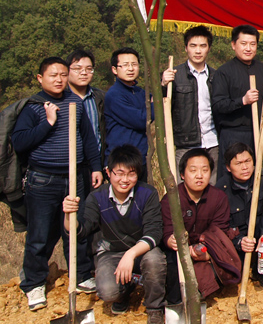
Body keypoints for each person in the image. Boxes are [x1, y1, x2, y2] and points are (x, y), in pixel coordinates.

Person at [12, 57, 103, 310]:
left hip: (74, 177)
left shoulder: (75, 102)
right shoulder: (33, 107)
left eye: (63, 74)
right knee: (40, 234)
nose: (59, 79)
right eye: (53, 75)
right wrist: (48, 122)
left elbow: (88, 138)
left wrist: (95, 167)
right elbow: (19, 142)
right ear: (40, 78)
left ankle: (81, 275)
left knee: (75, 229)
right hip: (43, 179)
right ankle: (34, 284)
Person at [62, 145, 166, 323]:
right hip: (111, 253)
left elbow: (154, 232)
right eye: (119, 173)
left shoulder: (147, 193)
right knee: (108, 292)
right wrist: (68, 215)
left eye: (131, 174)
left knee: (155, 260)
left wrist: (130, 254)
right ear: (108, 173)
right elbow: (81, 231)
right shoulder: (97, 197)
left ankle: (155, 307)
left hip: (142, 250)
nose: (125, 180)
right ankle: (124, 292)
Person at [161, 149, 241, 303]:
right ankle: (175, 301)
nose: (199, 175)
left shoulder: (218, 197)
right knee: (170, 267)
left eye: (205, 170)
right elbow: (167, 230)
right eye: (193, 170)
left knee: (222, 262)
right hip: (178, 252)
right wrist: (170, 240)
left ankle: (203, 290)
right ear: (182, 174)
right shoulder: (171, 199)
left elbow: (219, 232)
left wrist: (207, 250)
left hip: (206, 250)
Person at [161, 25, 219, 183]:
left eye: (203, 46)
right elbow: (160, 105)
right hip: (185, 144)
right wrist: (163, 85)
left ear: (209, 48)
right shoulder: (174, 76)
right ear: (186, 48)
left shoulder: (216, 76)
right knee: (183, 189)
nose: (198, 51)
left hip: (213, 142)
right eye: (193, 46)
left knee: (212, 189)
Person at [217, 142, 263, 289]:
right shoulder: (221, 189)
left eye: (248, 161)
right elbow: (222, 225)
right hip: (237, 236)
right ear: (228, 167)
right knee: (233, 276)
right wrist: (239, 241)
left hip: (259, 233)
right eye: (238, 163)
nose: (245, 167)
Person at [211, 24, 263, 182]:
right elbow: (218, 105)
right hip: (232, 133)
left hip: (256, 132)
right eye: (243, 44)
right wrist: (243, 101)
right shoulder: (224, 72)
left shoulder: (261, 69)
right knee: (230, 178)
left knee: (254, 176)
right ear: (233, 45)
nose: (248, 48)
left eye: (252, 44)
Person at [105, 47, 148, 168]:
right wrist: (157, 105)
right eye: (125, 65)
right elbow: (141, 120)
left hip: (140, 159)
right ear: (114, 69)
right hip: (121, 161)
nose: (130, 68)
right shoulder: (114, 95)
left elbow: (156, 100)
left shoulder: (139, 92)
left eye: (134, 64)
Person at [66, 49, 105, 167]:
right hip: (67, 165)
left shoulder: (101, 98)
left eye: (89, 69)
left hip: (95, 164)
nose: (84, 73)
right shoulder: (59, 98)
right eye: (77, 69)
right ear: (67, 70)